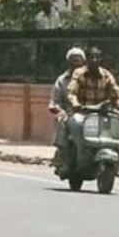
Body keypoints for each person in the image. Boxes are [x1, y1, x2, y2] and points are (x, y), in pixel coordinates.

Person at [49, 46, 86, 176]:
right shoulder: (62, 80)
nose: (76, 63)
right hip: (69, 114)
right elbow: (55, 102)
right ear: (68, 62)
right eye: (73, 60)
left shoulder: (91, 78)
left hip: (89, 114)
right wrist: (60, 111)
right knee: (62, 122)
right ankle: (63, 158)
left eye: (79, 60)